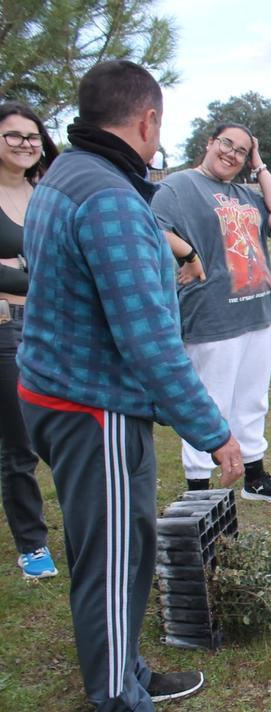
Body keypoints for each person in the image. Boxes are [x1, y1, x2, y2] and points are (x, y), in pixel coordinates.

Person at [18, 60, 242, 712]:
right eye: (160, 127)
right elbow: (148, 341)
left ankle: (128, 671)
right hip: (92, 407)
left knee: (121, 544)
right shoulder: (107, 197)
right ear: (147, 120)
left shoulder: (70, 173)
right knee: (113, 561)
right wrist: (212, 431)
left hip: (63, 393)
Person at [151, 122, 271, 501]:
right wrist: (188, 254)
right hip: (212, 313)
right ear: (210, 143)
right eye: (226, 144)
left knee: (253, 399)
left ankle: (255, 475)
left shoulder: (244, 194)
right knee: (210, 402)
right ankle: (198, 485)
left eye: (242, 151)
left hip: (257, 310)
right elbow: (152, 224)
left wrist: (261, 165)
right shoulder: (179, 186)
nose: (231, 154)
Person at [0, 102, 60, 579]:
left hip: (49, 322)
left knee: (60, 430)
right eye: (13, 135)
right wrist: (36, 278)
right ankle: (32, 544)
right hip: (6, 326)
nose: (25, 144)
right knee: (18, 442)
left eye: (32, 136)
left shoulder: (44, 192)